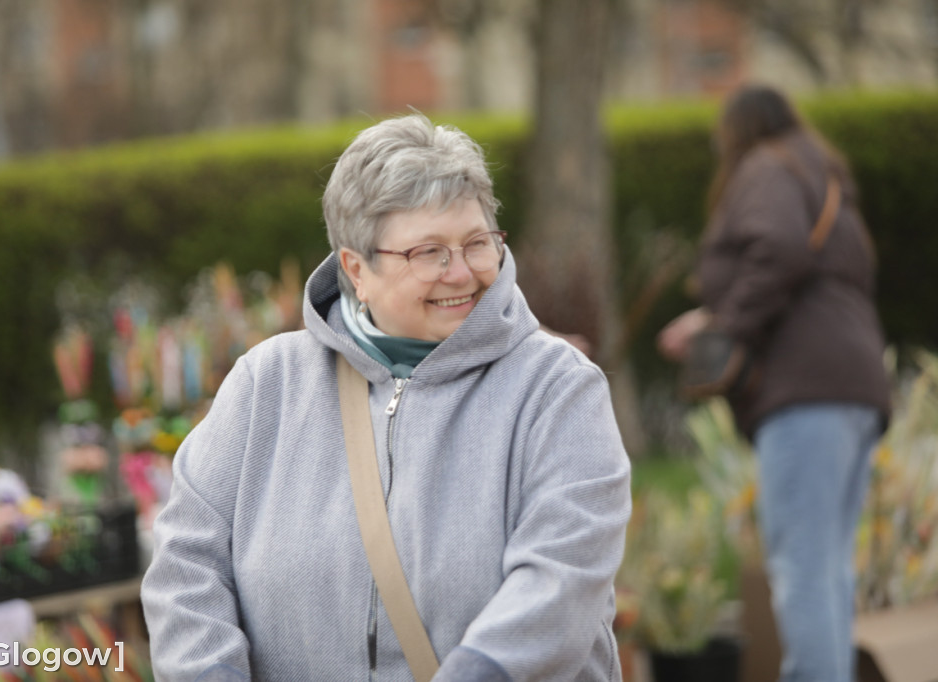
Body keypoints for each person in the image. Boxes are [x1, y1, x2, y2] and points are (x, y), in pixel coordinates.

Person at [142, 113, 632, 681]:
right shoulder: (266, 385)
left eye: (477, 244)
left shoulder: (556, 389)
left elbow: (561, 582)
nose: (460, 273)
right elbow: (187, 563)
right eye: (428, 253)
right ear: (357, 269)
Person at [658, 84, 890, 682]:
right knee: (829, 568)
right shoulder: (819, 174)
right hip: (854, 385)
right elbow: (799, 272)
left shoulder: (765, 167)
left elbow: (781, 249)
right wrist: (712, 320)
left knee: (803, 567)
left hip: (806, 392)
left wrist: (726, 329)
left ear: (736, 131)